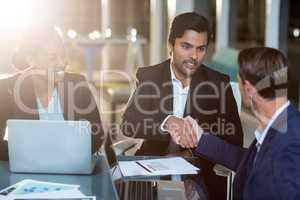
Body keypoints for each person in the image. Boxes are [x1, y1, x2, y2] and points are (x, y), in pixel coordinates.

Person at [121, 12, 243, 199]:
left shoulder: (218, 83)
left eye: (201, 48)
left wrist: (193, 148)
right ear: (170, 45)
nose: (194, 56)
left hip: (198, 172)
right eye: (186, 46)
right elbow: (129, 123)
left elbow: (234, 140)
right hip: (152, 167)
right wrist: (167, 122)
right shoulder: (150, 76)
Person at [177, 47, 300, 199]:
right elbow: (249, 161)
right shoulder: (280, 125)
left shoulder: (290, 144)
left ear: (247, 89)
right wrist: (201, 138)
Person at [0, 25, 104, 161]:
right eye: (53, 58)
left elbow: (96, 136)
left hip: (71, 166)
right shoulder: (7, 89)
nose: (62, 63)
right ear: (31, 60)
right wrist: (26, 155)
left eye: (63, 55)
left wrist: (64, 155)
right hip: (26, 170)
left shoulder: (78, 85)